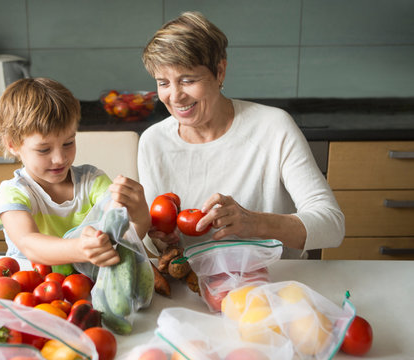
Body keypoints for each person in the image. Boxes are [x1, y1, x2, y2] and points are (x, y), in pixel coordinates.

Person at [138, 12, 344, 259]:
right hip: (195, 285)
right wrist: (165, 241)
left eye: (187, 80)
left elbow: (332, 225)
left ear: (220, 71)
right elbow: (159, 247)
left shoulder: (272, 127)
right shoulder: (153, 142)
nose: (175, 96)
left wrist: (255, 223)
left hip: (274, 283)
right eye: (163, 83)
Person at [0, 77, 151, 266]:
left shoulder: (92, 181)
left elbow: (124, 237)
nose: (60, 158)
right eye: (44, 149)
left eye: (68, 143)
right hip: (32, 287)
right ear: (13, 145)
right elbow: (29, 243)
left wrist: (140, 217)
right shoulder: (12, 194)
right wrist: (79, 249)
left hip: (85, 289)